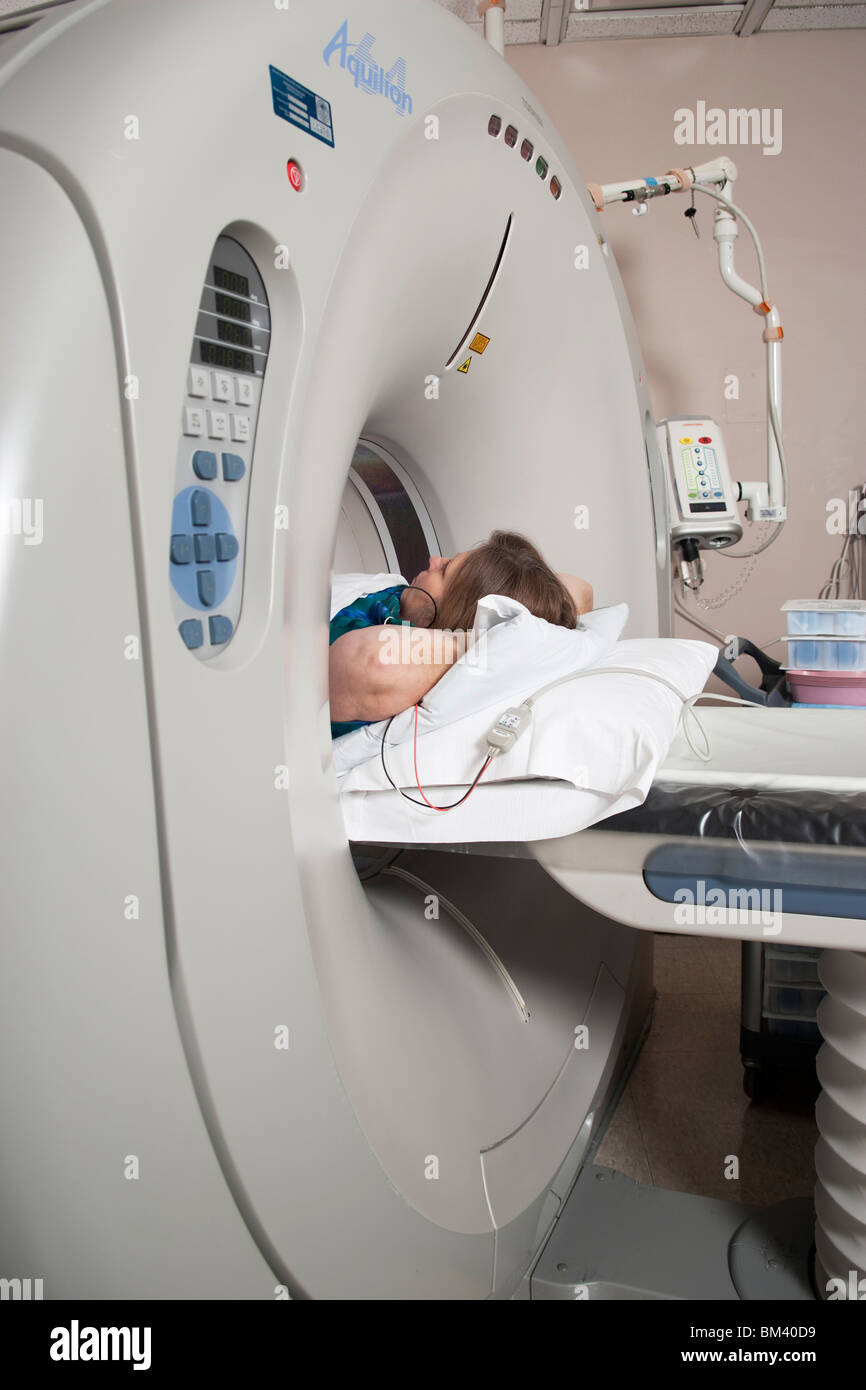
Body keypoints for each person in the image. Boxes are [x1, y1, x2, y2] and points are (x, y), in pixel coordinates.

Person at [329, 530, 593, 738]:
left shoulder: (396, 659)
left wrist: (485, 638)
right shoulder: (403, 602)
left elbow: (376, 664)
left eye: (444, 571)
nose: (433, 560)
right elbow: (582, 589)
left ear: (455, 612)